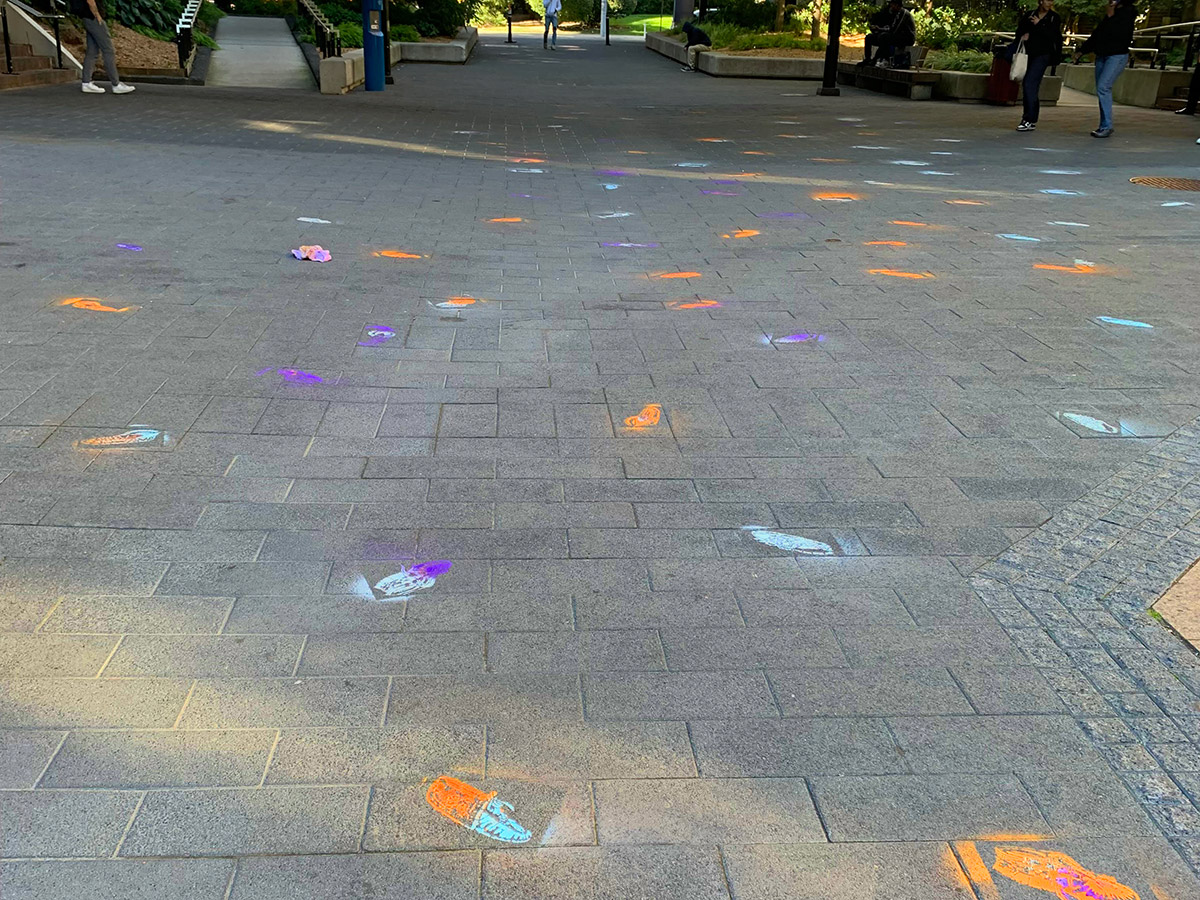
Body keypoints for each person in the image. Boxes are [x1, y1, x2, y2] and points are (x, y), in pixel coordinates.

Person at [1074, 0, 1136, 138]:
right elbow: (1098, 34)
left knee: (1104, 87)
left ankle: (1107, 126)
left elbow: (1121, 34)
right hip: (1102, 55)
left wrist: (1111, 16)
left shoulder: (1128, 12)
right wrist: (1081, 51)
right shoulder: (1109, 14)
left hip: (1117, 56)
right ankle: (1103, 125)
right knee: (1101, 89)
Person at [1013, 0, 1064, 132]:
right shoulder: (1030, 15)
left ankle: (1028, 119)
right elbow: (1019, 30)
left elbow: (1053, 36)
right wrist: (1023, 36)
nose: (1049, 3)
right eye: (1047, 0)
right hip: (1028, 54)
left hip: (1043, 55)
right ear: (1040, 1)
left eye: (1051, 1)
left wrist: (1039, 24)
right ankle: (1030, 118)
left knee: (1030, 83)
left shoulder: (1054, 17)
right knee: (1029, 85)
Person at [70, 0, 134, 94]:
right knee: (108, 50)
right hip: (93, 17)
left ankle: (86, 82)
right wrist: (97, 15)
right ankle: (116, 84)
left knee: (92, 51)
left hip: (88, 17)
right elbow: (90, 1)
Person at [860, 0, 916, 68]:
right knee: (869, 37)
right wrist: (878, 29)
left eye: (892, 5)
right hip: (895, 35)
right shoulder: (893, 13)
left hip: (906, 37)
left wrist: (882, 31)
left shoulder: (904, 13)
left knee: (884, 37)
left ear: (897, 5)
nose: (891, 7)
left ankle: (884, 59)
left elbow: (895, 29)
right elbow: (889, 27)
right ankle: (867, 59)